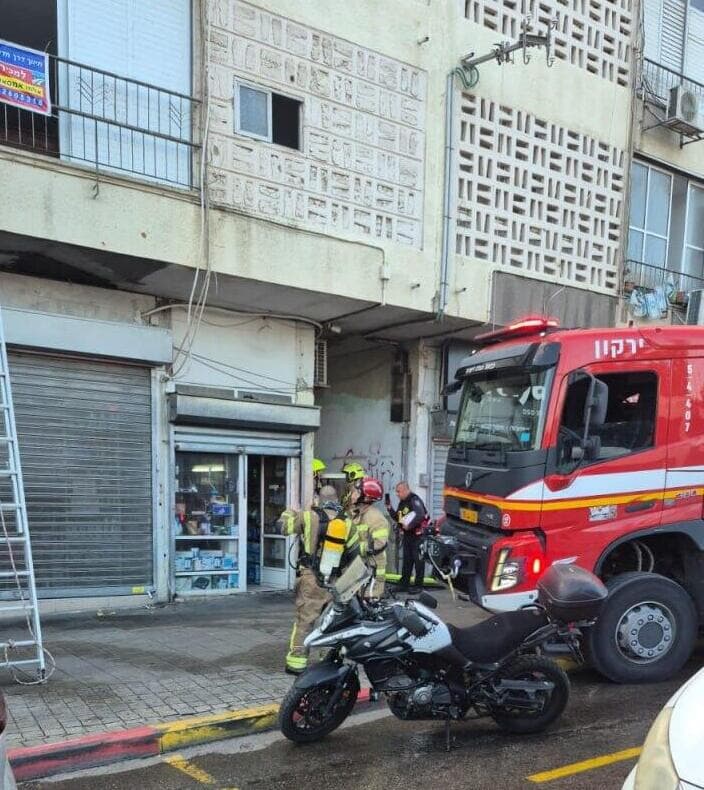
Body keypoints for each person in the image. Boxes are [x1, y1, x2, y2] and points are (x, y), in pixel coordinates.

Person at [279, 485, 357, 674]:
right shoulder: (347, 522)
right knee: (331, 621)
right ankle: (328, 660)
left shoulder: (308, 516)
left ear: (319, 500)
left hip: (311, 577)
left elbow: (284, 528)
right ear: (337, 500)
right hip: (336, 580)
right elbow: (355, 554)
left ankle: (297, 662)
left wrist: (290, 511)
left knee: (305, 619)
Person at [350, 477, 389, 598]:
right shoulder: (358, 514)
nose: (352, 494)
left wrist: (354, 549)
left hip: (372, 572)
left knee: (369, 603)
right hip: (361, 569)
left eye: (356, 492)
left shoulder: (375, 518)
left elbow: (379, 544)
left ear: (365, 497)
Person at [386, 481, 429, 592]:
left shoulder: (414, 500)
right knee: (407, 561)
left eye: (399, 491)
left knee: (418, 561)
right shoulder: (402, 503)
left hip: (417, 536)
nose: (397, 494)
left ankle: (418, 586)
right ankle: (404, 584)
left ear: (405, 490)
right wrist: (390, 508)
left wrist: (409, 526)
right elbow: (399, 518)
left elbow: (420, 514)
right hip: (408, 536)